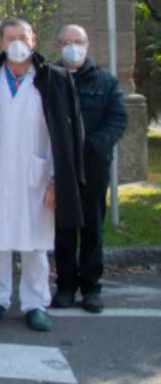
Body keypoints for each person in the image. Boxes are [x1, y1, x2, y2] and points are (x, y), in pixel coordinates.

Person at [0, 19, 84, 332]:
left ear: (34, 40)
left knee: (36, 244)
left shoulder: (53, 79)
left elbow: (68, 134)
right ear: (1, 43)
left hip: (38, 174)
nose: (17, 43)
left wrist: (58, 180)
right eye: (10, 37)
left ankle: (35, 303)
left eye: (23, 36)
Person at [53, 25, 127, 313]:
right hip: (61, 167)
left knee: (92, 228)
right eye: (68, 42)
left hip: (94, 166)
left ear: (87, 44)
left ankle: (91, 288)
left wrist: (93, 144)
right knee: (64, 229)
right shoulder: (51, 79)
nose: (73, 47)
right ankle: (66, 286)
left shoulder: (105, 82)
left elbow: (118, 119)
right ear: (59, 45)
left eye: (79, 42)